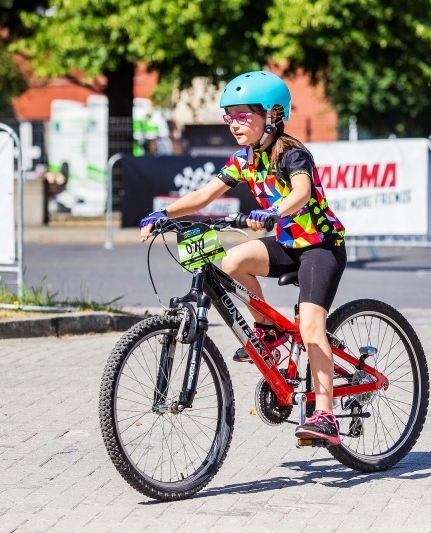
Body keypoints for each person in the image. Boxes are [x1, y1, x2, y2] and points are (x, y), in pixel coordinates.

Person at [139, 71, 347, 445]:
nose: (234, 123)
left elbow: (301, 191)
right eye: (229, 115)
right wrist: (164, 215)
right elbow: (203, 195)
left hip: (320, 245)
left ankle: (326, 414)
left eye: (243, 115)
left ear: (272, 116)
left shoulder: (292, 154)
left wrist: (274, 212)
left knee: (312, 326)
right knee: (233, 261)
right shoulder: (243, 160)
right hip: (287, 244)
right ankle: (268, 331)